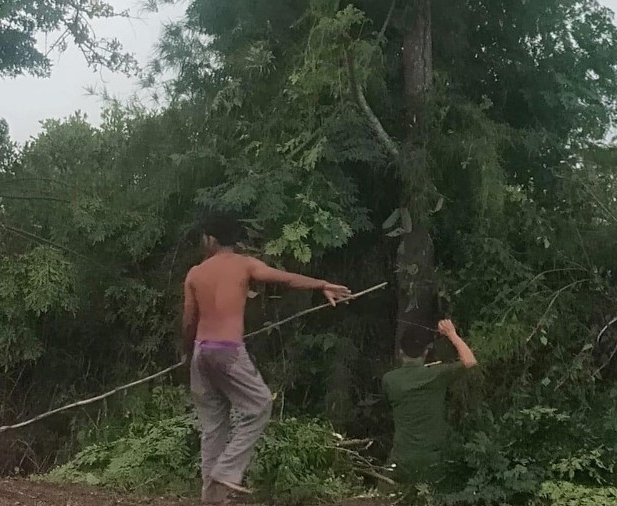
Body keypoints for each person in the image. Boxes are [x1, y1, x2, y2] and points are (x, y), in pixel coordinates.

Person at [182, 214, 352, 503]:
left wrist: (187, 353)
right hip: (227, 351)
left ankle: (211, 499)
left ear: (210, 239)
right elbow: (285, 279)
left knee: (213, 427)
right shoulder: (244, 264)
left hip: (201, 352)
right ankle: (226, 470)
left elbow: (188, 321)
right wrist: (321, 283)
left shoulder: (195, 273)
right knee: (259, 405)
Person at [383, 319, 477, 485]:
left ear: (400, 351)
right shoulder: (437, 375)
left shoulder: (390, 380)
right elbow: (469, 361)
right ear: (426, 352)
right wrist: (452, 334)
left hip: (401, 459)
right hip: (433, 460)